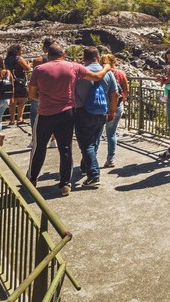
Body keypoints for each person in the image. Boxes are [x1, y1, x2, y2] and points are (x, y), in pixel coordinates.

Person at [27, 43, 112, 197]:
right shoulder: (73, 66)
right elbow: (97, 76)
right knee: (65, 148)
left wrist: (45, 99)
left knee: (39, 147)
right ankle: (65, 184)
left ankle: (32, 179)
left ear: (48, 55)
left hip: (45, 113)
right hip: (67, 113)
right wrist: (106, 68)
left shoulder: (39, 69)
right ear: (63, 55)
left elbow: (32, 94)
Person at [73, 46, 119, 189]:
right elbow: (115, 94)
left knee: (86, 144)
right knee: (94, 141)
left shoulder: (79, 72)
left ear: (84, 58)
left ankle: (93, 175)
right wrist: (112, 111)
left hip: (82, 112)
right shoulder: (108, 73)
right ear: (97, 57)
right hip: (101, 112)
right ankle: (84, 166)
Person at [102, 53, 128, 169]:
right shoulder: (120, 73)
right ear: (114, 62)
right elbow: (126, 90)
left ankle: (90, 159)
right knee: (111, 133)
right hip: (117, 105)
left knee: (96, 133)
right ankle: (110, 159)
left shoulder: (102, 73)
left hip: (103, 106)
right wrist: (122, 102)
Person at [4, 44, 32, 127]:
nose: (22, 51)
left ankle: (12, 119)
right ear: (17, 51)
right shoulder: (19, 58)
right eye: (21, 50)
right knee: (22, 100)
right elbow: (27, 68)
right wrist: (29, 64)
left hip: (10, 80)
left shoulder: (7, 59)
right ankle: (19, 118)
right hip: (20, 80)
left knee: (12, 101)